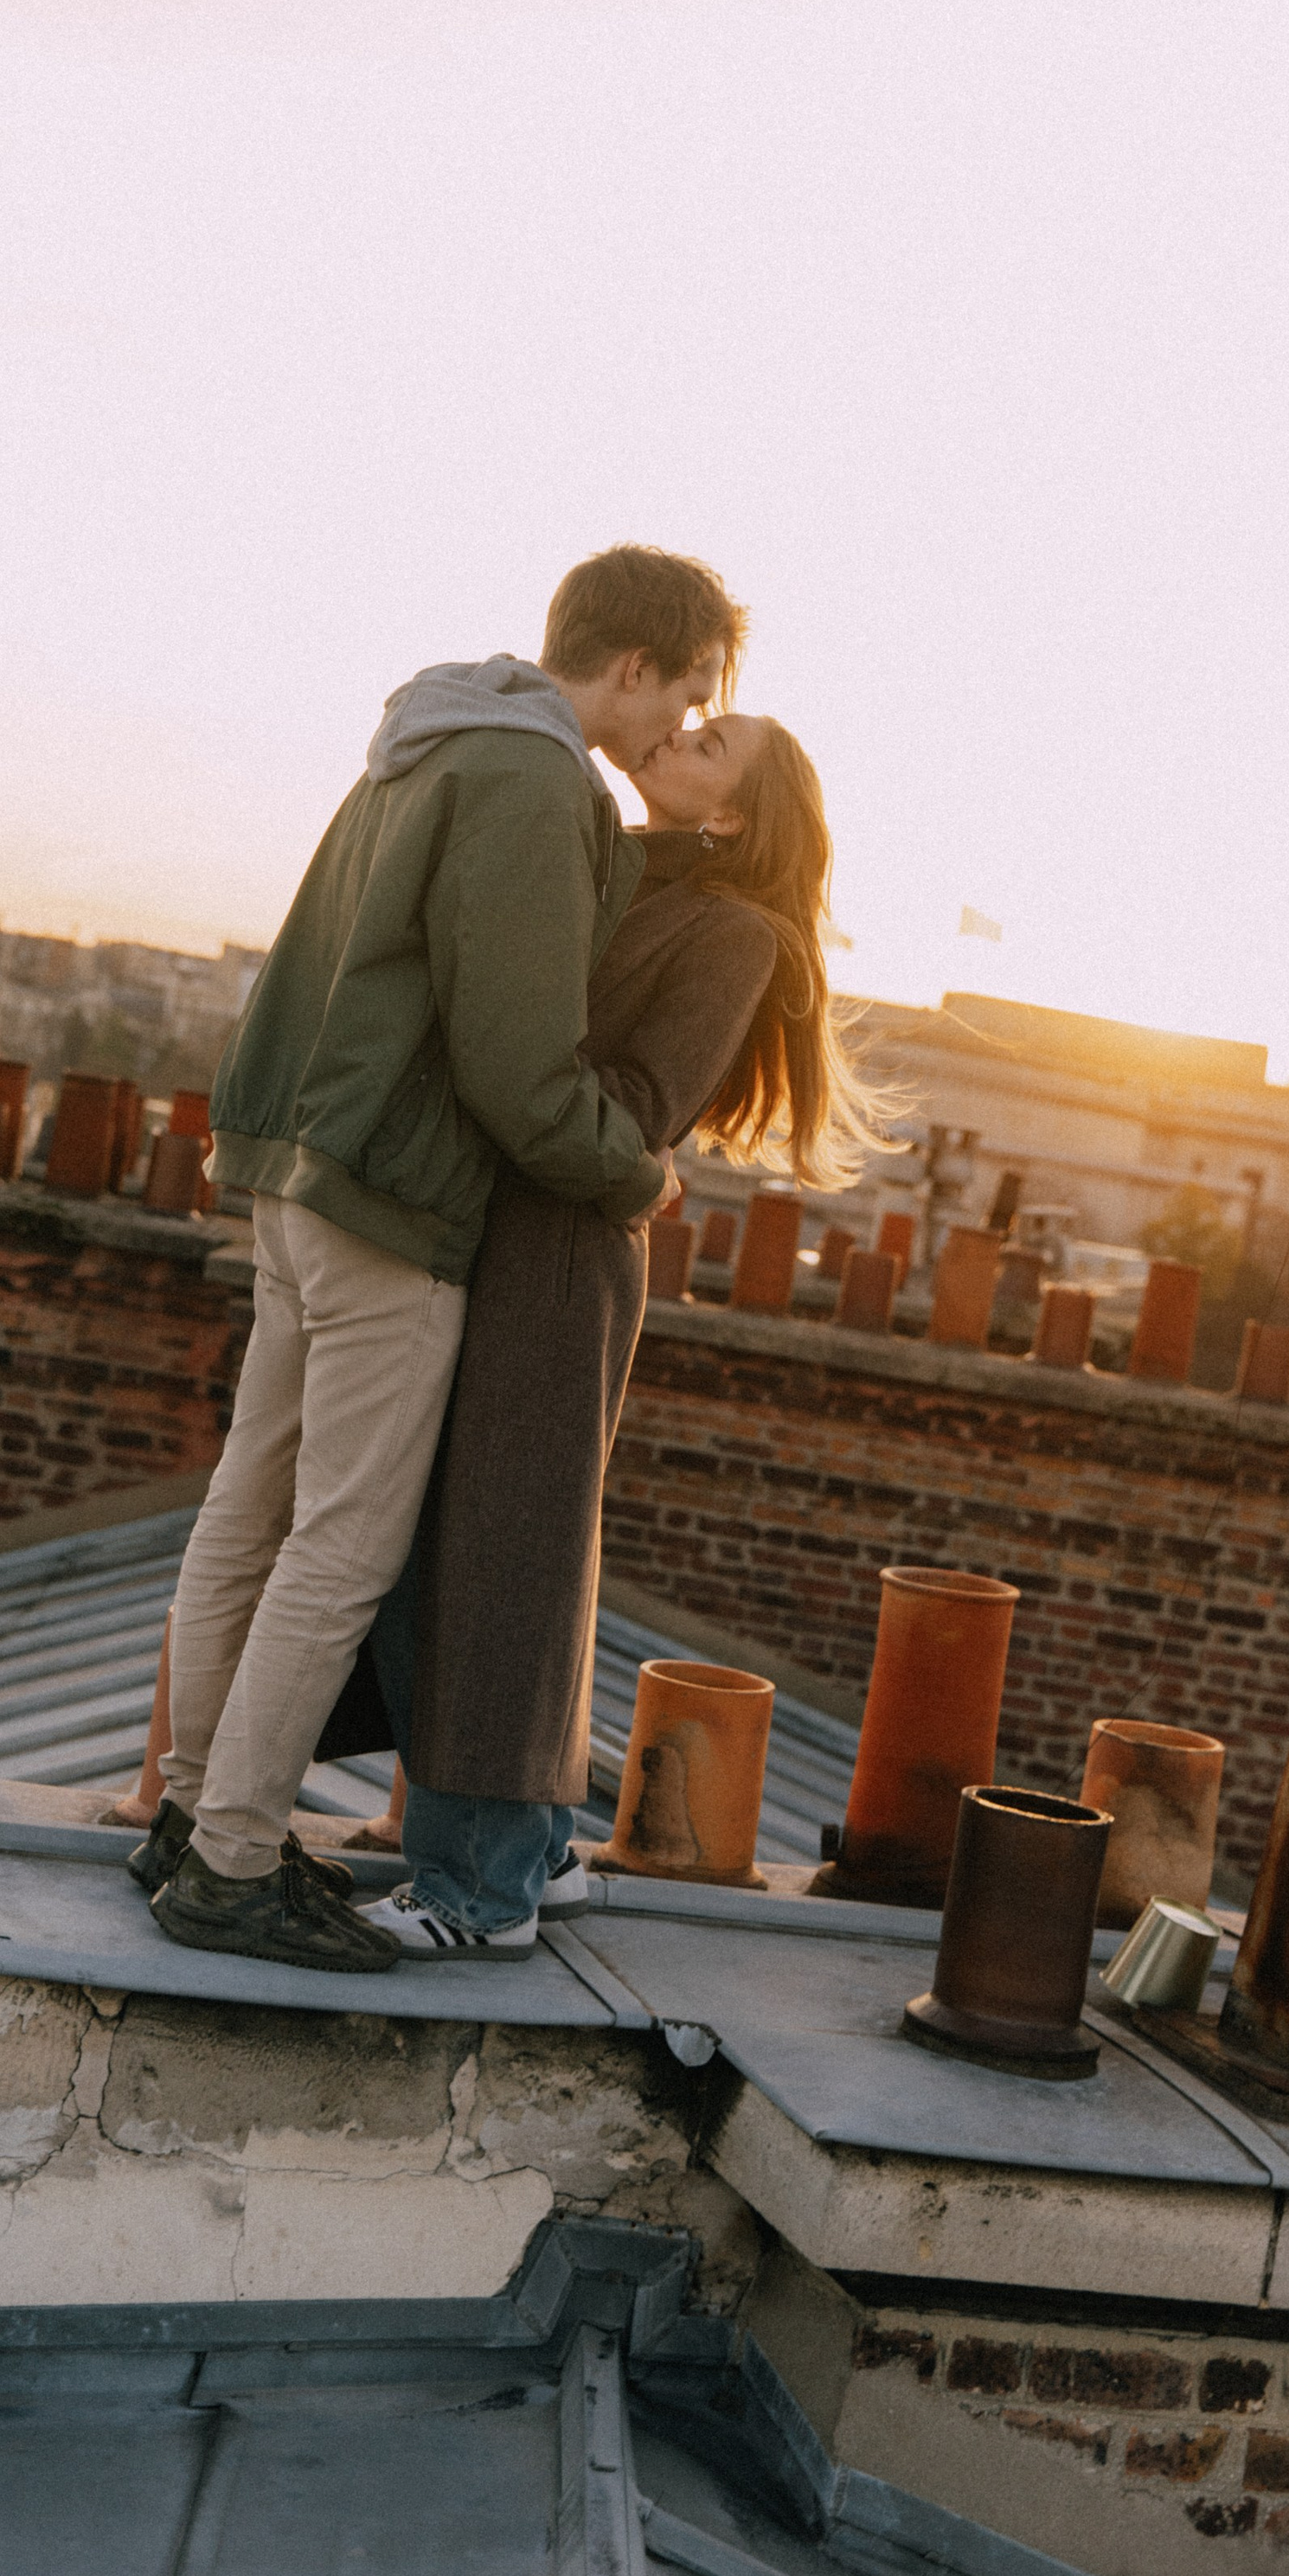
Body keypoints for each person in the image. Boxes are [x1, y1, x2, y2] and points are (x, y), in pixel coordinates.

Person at [134, 546, 747, 1974]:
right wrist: (639, 1173)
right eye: (693, 692)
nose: (681, 726)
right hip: (395, 1208)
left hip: (297, 1171)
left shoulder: (430, 739)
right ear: (638, 666)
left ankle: (182, 1822)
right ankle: (231, 1862)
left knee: (246, 1511)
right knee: (339, 1545)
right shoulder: (541, 785)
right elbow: (519, 1064)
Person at [360, 712, 893, 1957]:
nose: (680, 735)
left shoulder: (737, 934)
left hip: (562, 1252)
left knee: (502, 1558)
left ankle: (475, 1894)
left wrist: (502, 1064)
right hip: (514, 1233)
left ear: (736, 815)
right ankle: (535, 1852)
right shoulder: (613, 866)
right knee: (487, 1546)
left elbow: (641, 1107)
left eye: (713, 742)